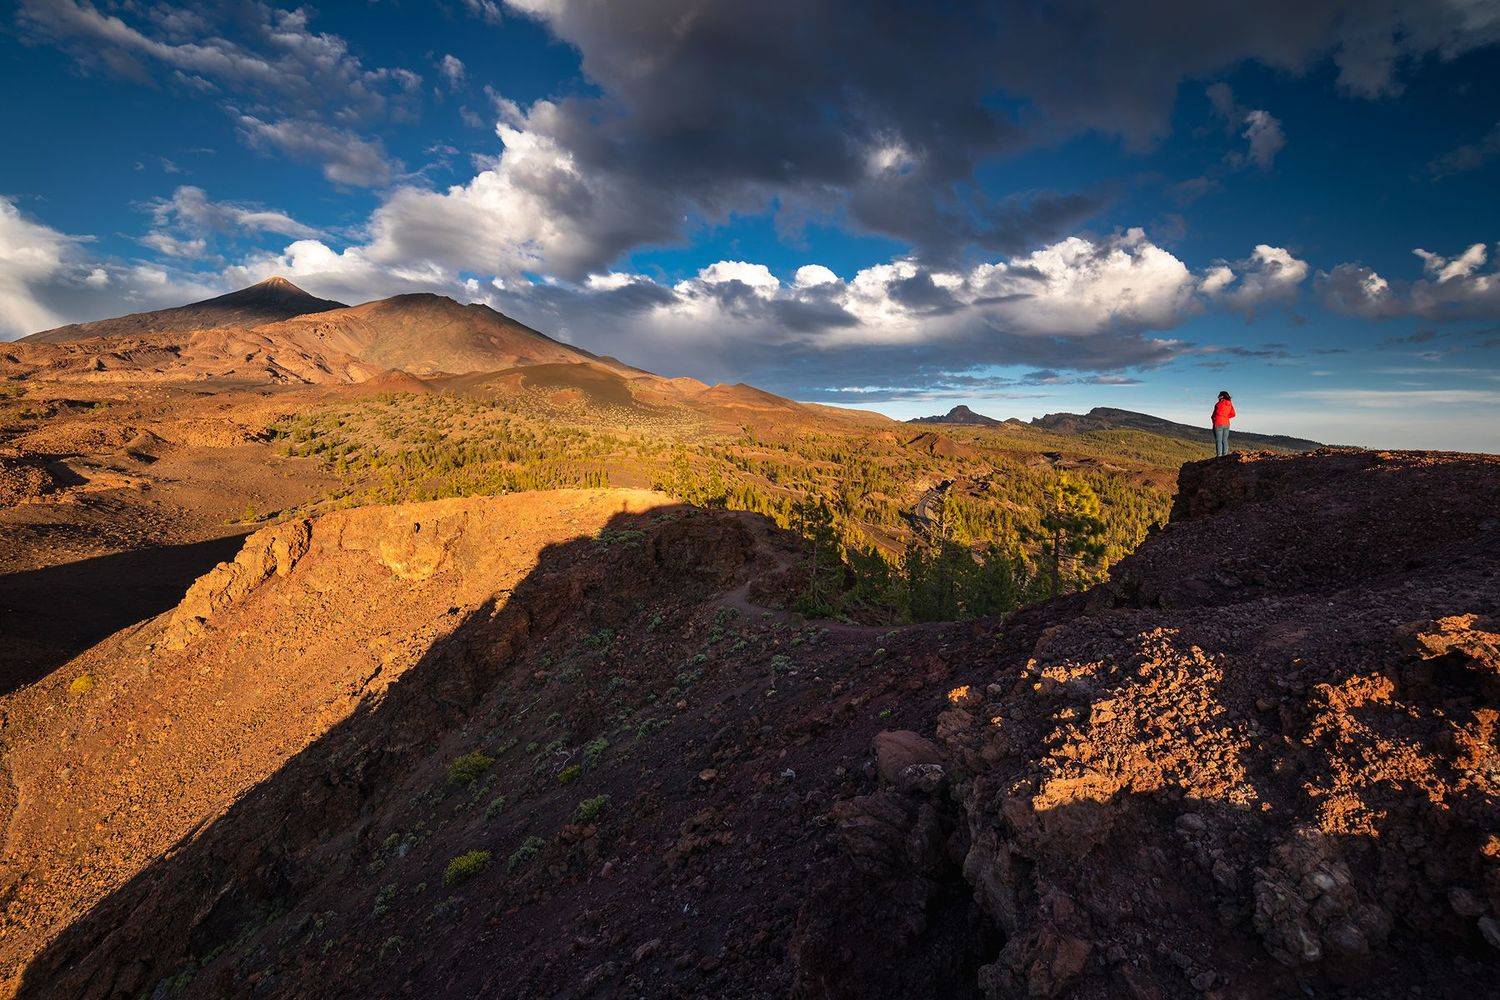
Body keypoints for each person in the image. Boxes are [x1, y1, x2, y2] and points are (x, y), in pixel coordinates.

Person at [1211, 390, 1235, 457]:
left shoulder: (1218, 404)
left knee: (1218, 440)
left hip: (1218, 423)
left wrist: (1214, 420)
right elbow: (1233, 414)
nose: (1218, 396)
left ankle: (1219, 456)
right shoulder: (1230, 404)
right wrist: (1226, 417)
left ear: (1222, 396)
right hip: (1226, 423)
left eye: (1219, 395)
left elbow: (1214, 415)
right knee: (1225, 440)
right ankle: (1225, 455)